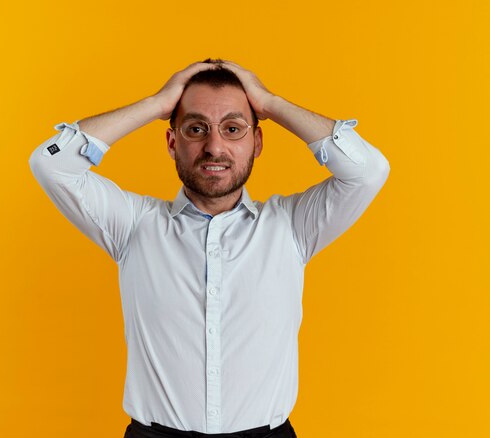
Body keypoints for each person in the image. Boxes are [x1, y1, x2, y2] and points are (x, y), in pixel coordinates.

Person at [28, 59, 390, 438]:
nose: (214, 146)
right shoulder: (133, 224)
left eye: (233, 129)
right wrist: (157, 103)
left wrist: (268, 102)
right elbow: (51, 164)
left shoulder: (291, 226)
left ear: (257, 142)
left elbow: (368, 171)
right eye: (196, 129)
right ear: (172, 142)